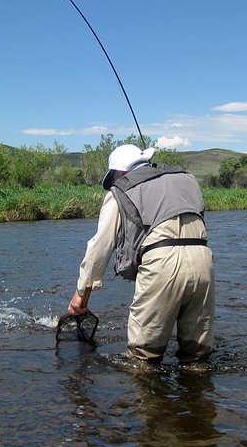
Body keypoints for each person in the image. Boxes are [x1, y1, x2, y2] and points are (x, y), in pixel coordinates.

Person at [67, 144, 215, 363]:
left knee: (142, 358)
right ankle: (197, 394)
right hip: (204, 261)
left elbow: (100, 247)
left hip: (162, 264)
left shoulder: (120, 191)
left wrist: (81, 292)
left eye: (114, 176)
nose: (114, 182)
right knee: (197, 356)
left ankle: (146, 395)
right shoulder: (187, 179)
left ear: (119, 172)